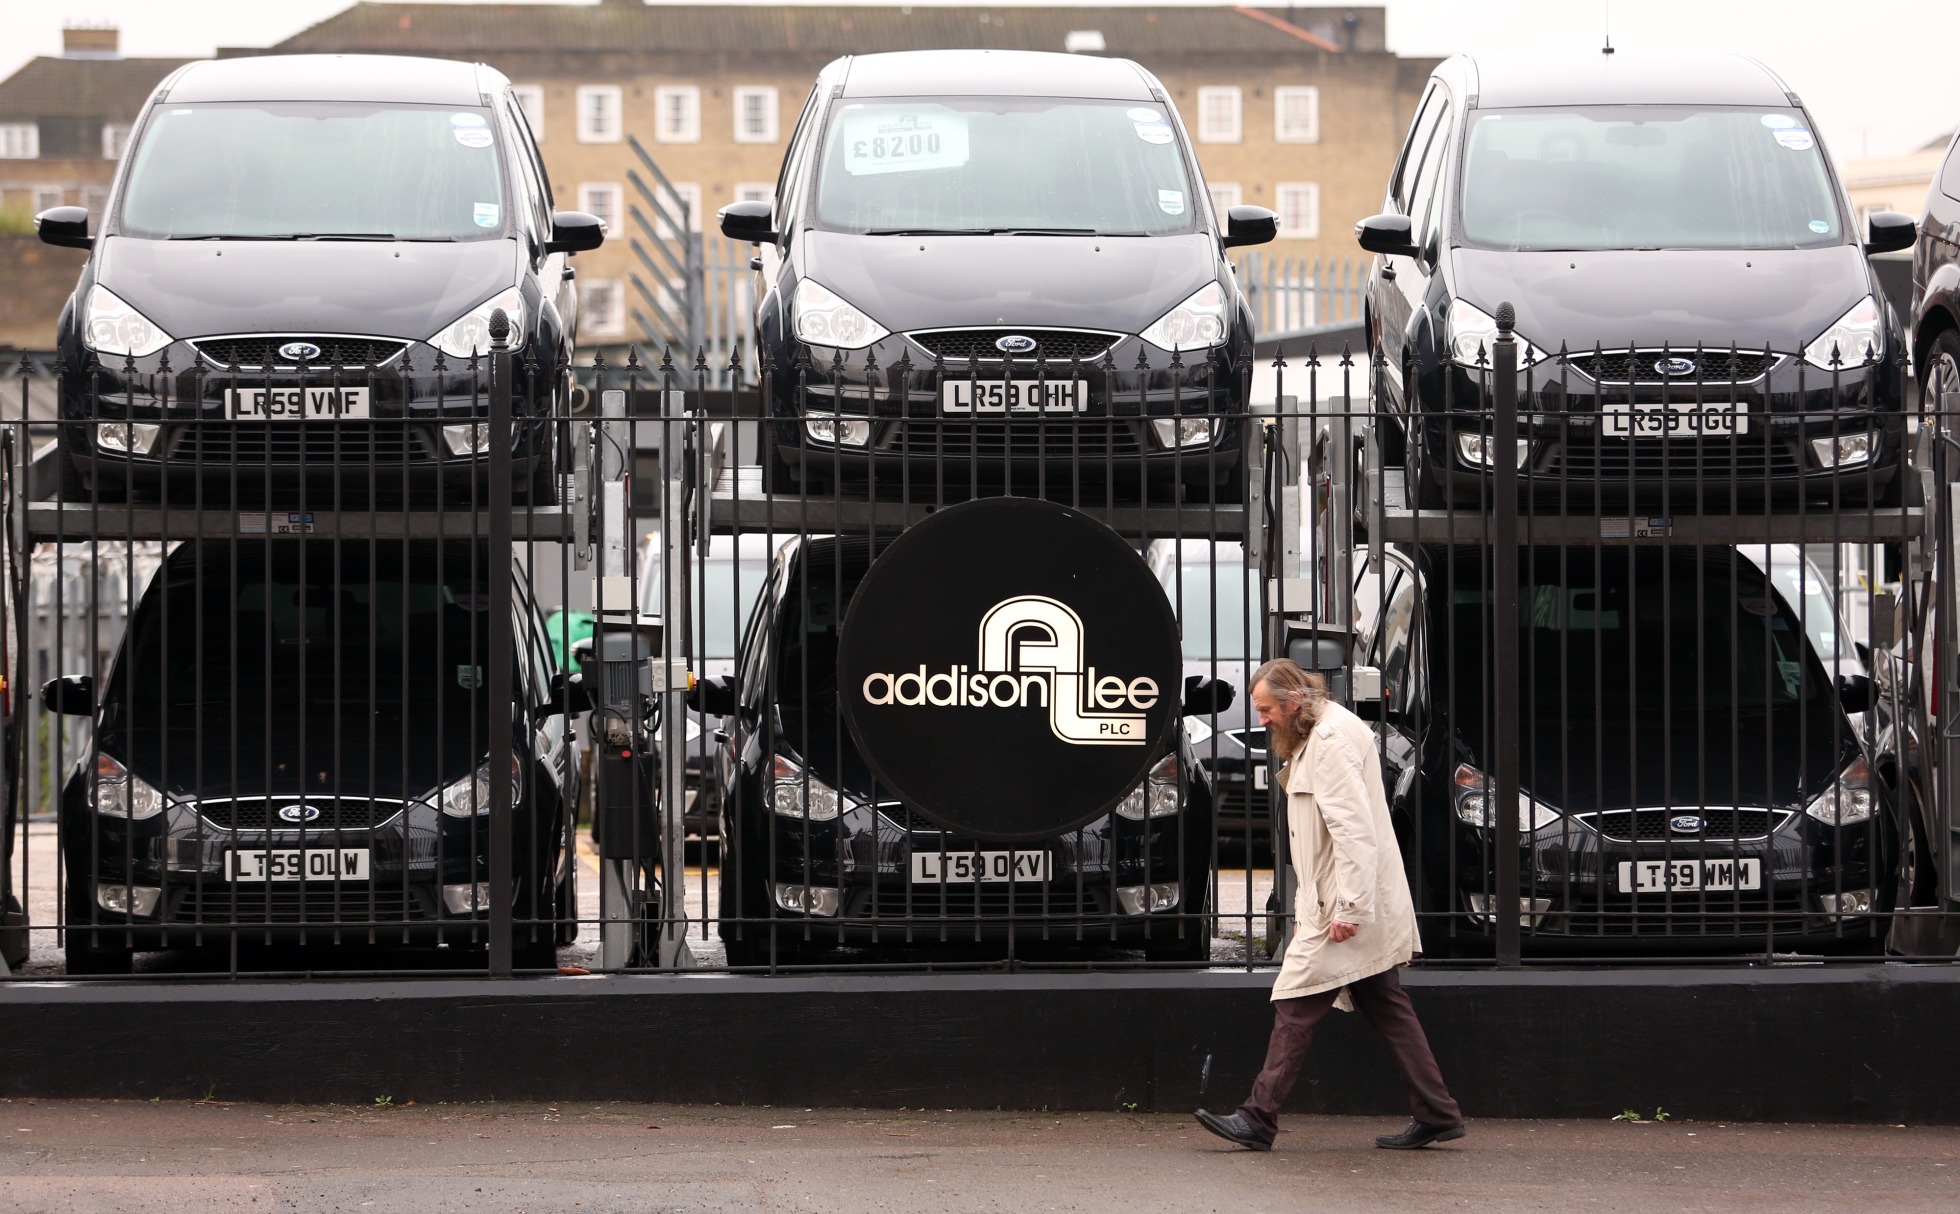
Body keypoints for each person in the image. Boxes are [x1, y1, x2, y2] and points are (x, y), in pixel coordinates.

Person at [1195, 657, 1464, 1152]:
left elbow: (1352, 832)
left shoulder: (1330, 742)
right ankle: (1438, 1111)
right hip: (1339, 902)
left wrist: (1350, 909)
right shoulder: (1317, 734)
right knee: (1387, 1007)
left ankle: (1257, 1118)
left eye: (1266, 708)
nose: (1262, 720)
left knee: (1296, 1002)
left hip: (1345, 906)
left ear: (1293, 701)